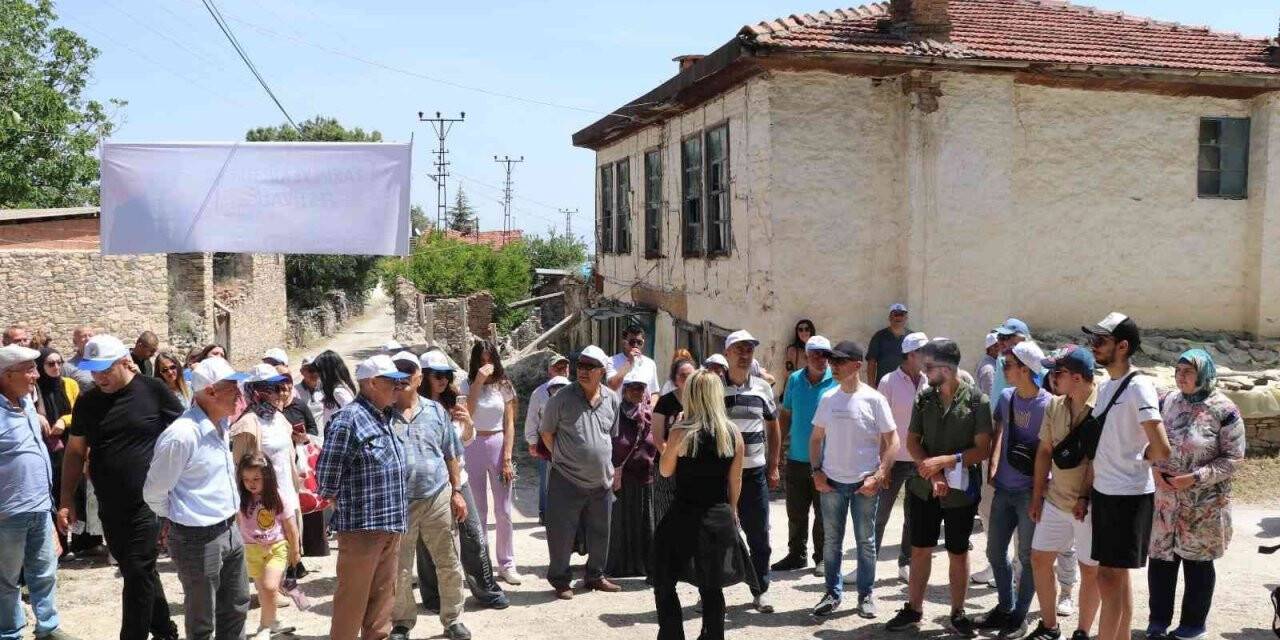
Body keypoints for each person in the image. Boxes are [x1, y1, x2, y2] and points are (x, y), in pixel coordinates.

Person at [59, 334, 182, 640]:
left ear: (125, 362)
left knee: (138, 568)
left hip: (149, 502)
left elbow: (184, 433)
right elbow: (75, 451)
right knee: (136, 569)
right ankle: (165, 629)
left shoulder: (153, 391)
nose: (98, 376)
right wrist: (65, 499)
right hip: (109, 503)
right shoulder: (88, 402)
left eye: (105, 369)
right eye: (94, 370)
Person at [886, 338, 992, 637]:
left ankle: (958, 613)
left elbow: (983, 449)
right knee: (920, 550)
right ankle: (914, 609)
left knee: (958, 551)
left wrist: (947, 461)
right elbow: (912, 442)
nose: (924, 370)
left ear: (945, 368)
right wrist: (933, 474)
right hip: (924, 488)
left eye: (929, 366)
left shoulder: (976, 402)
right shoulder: (925, 398)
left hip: (961, 493)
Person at [142, 356, 251, 640]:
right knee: (203, 620)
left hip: (229, 529)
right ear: (211, 392)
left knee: (237, 605)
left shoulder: (221, 425)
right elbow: (154, 491)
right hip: (197, 536)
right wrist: (178, 515)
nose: (239, 394)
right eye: (232, 387)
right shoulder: (182, 435)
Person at [1081, 312, 1171, 640]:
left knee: (1108, 577)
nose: (1094, 347)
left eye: (1100, 341)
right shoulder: (1107, 387)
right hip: (1106, 492)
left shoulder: (1140, 386)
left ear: (1123, 346)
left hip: (1129, 494)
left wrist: (1136, 458)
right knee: (1116, 578)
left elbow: (1161, 448)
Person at [1147, 349, 1245, 640]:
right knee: (1161, 563)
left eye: (1188, 372)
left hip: (1203, 506)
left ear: (1204, 374)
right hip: (1165, 501)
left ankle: (1193, 624)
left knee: (1198, 566)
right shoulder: (1166, 402)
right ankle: (1158, 621)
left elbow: (1233, 458)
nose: (1181, 377)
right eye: (1178, 370)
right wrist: (1153, 468)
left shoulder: (1224, 411)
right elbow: (1148, 439)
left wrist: (1196, 478)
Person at [315, 354, 409, 640]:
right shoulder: (349, 419)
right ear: (371, 383)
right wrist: (336, 498)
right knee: (352, 600)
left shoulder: (388, 418)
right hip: (361, 527)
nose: (398, 387)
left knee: (382, 598)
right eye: (391, 382)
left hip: (391, 523)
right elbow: (327, 473)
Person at [651, 369, 744, 640]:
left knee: (664, 580)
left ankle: (672, 634)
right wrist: (733, 509)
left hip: (684, 514)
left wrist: (676, 433)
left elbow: (666, 471)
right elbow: (735, 480)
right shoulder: (732, 433)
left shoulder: (682, 431)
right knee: (712, 587)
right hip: (718, 515)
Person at [809, 340, 899, 619]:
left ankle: (866, 595)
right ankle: (832, 594)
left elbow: (893, 440)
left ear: (857, 365)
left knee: (866, 542)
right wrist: (816, 472)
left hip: (864, 483)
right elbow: (815, 438)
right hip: (832, 483)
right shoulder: (828, 398)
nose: (833, 366)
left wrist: (880, 474)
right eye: (832, 361)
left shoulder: (874, 399)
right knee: (831, 541)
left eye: (839, 361)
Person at [416, 351, 510, 611]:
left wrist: (468, 423)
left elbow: (466, 440)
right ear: (423, 377)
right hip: (429, 483)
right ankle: (433, 596)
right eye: (437, 375)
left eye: (446, 375)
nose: (443, 380)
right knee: (428, 542)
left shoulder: (453, 403)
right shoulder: (414, 409)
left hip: (460, 478)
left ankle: (486, 590)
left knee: (473, 535)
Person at [387, 354, 471, 640]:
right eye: (395, 373)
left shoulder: (436, 412)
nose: (401, 379)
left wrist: (457, 492)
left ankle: (453, 620)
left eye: (407, 373)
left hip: (437, 496)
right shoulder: (382, 413)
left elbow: (451, 455)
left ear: (419, 378)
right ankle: (401, 622)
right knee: (399, 568)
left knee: (448, 561)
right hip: (399, 503)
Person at [0, 344, 80, 640]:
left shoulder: (28, 408)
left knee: (45, 572)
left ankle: (47, 627)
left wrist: (53, 506)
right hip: (7, 512)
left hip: (39, 508)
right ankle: (9, 632)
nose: (35, 376)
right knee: (6, 579)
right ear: (8, 376)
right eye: (29, 370)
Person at [978, 341, 1052, 639]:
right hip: (1004, 488)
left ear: (1025, 369)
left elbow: (1050, 450)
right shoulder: (1006, 397)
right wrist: (994, 464)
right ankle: (1005, 607)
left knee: (1028, 556)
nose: (1002, 369)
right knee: (995, 551)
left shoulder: (1049, 405)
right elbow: (1000, 431)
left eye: (1007, 365)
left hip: (1029, 492)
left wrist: (1039, 493)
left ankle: (1020, 615)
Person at [1028, 345, 1101, 640]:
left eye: (1058, 373)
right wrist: (1036, 497)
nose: (1052, 378)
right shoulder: (1055, 405)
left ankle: (1083, 632)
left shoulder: (1103, 407)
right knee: (1039, 558)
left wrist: (1084, 497)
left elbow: (1099, 460)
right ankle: (1049, 626)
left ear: (1078, 377)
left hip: (1091, 506)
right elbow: (1044, 451)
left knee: (1090, 571)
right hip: (1056, 499)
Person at [539, 345, 622, 599]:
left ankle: (595, 576)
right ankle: (561, 581)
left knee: (600, 532)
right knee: (562, 533)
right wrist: (563, 457)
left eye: (589, 367)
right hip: (567, 478)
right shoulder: (561, 399)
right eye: (580, 366)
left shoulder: (612, 399)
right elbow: (546, 433)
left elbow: (611, 436)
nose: (582, 371)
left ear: (602, 372)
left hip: (601, 481)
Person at [722, 329, 780, 612]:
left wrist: (773, 465)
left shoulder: (762, 388)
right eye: (739, 350)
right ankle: (711, 591)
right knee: (718, 534)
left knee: (759, 535)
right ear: (727, 354)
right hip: (721, 475)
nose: (745, 355)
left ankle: (760, 590)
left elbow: (773, 427)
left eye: (749, 350)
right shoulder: (713, 387)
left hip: (754, 472)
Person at [772, 335, 836, 575]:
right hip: (797, 456)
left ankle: (822, 557)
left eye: (825, 354)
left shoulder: (836, 382)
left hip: (826, 460)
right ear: (806, 356)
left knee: (824, 512)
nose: (821, 359)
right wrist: (776, 453)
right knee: (796, 511)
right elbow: (786, 415)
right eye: (815, 354)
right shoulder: (795, 380)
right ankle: (796, 554)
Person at [230, 364, 303, 568]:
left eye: (281, 388)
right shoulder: (247, 425)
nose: (281, 394)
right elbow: (241, 468)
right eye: (274, 389)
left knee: (289, 548)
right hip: (262, 501)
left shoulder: (279, 418)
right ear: (259, 392)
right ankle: (270, 593)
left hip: (286, 494)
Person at [460, 339, 520, 585]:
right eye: (481, 360)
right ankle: (481, 564)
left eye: (490, 359)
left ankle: (507, 563)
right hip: (472, 445)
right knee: (478, 511)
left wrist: (507, 456)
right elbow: (468, 414)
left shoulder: (504, 385)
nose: (486, 364)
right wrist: (478, 383)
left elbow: (509, 423)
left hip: (497, 444)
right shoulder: (466, 383)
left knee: (503, 510)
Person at [875, 331, 929, 583]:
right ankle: (868, 563)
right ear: (910, 355)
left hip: (920, 459)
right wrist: (881, 464)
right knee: (879, 513)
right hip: (894, 459)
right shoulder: (888, 381)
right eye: (923, 351)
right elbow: (879, 425)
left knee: (914, 515)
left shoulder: (930, 381)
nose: (928, 356)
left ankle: (905, 563)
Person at [235, 455, 300, 640]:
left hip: (276, 548)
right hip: (251, 551)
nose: (251, 484)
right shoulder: (241, 499)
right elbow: (236, 522)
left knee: (271, 587)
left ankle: (264, 627)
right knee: (263, 591)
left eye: (256, 479)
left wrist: (295, 550)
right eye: (246, 480)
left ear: (267, 477)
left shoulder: (278, 497)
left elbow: (291, 527)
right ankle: (274, 620)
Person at [607, 372, 658, 578]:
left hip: (645, 476)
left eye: (641, 388)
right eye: (633, 388)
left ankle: (644, 564)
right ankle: (619, 565)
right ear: (625, 390)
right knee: (621, 522)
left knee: (643, 521)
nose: (638, 392)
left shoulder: (649, 414)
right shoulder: (615, 413)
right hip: (622, 478)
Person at [35, 348, 77, 549]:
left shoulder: (69, 384)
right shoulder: (34, 389)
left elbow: (79, 412)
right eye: (50, 364)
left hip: (68, 443)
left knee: (68, 489)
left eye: (59, 362)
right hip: (45, 446)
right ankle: (56, 546)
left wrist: (63, 420)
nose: (56, 367)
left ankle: (75, 539)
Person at [524, 354, 571, 524]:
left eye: (564, 367)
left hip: (569, 443)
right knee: (547, 479)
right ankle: (545, 513)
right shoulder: (540, 393)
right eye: (557, 367)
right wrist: (532, 442)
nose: (561, 370)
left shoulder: (576, 390)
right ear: (549, 370)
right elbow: (532, 419)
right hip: (546, 441)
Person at [652, 357, 696, 527]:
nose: (686, 379)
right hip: (665, 467)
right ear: (675, 379)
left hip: (691, 468)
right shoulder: (665, 402)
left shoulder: (699, 402)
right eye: (682, 376)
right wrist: (672, 461)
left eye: (690, 375)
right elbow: (657, 438)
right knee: (665, 517)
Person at [607, 324, 662, 397]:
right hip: (619, 407)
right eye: (632, 342)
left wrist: (652, 406)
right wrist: (629, 362)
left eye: (639, 342)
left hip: (643, 407)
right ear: (624, 343)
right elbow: (612, 386)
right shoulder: (612, 361)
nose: (636, 345)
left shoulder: (650, 364)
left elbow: (654, 392)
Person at [866, 303, 911, 389]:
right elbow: (871, 362)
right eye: (895, 314)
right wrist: (871, 385)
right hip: (884, 385)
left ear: (906, 318)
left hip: (907, 385)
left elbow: (918, 360)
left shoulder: (912, 337)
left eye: (901, 314)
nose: (898, 317)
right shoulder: (879, 336)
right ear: (890, 317)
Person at [312, 350, 356, 430]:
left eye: (319, 371)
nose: (317, 374)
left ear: (328, 372)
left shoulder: (339, 392)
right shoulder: (333, 390)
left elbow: (353, 418)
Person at [296, 357, 325, 432]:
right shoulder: (295, 391)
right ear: (301, 372)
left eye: (317, 370)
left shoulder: (326, 389)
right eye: (311, 370)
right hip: (307, 437)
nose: (315, 373)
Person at [63, 326, 95, 391]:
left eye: (90, 335)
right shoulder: (68, 367)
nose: (88, 339)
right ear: (75, 342)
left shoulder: (106, 360)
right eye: (83, 336)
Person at [976, 332, 1000, 398]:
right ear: (990, 348)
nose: (1001, 348)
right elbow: (990, 396)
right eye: (997, 346)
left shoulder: (995, 362)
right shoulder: (988, 369)